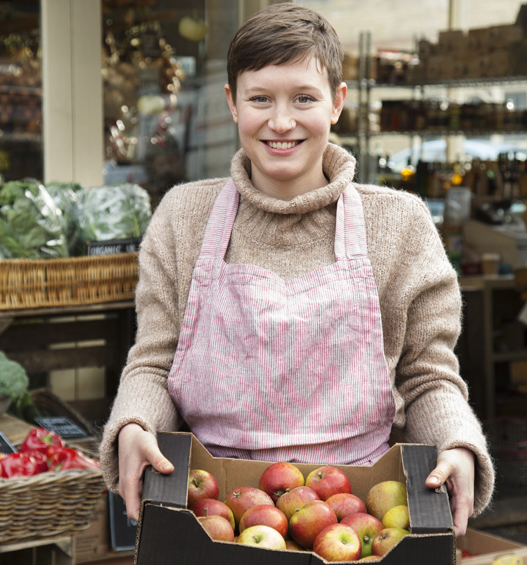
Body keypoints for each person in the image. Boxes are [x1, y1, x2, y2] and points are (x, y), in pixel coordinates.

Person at [100, 3, 494, 537]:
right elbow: (154, 363)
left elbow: (428, 377)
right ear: (232, 104)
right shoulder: (183, 217)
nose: (280, 122)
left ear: (337, 104)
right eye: (260, 98)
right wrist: (134, 424)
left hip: (359, 513)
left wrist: (457, 443)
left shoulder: (398, 223)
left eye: (303, 98)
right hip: (216, 514)